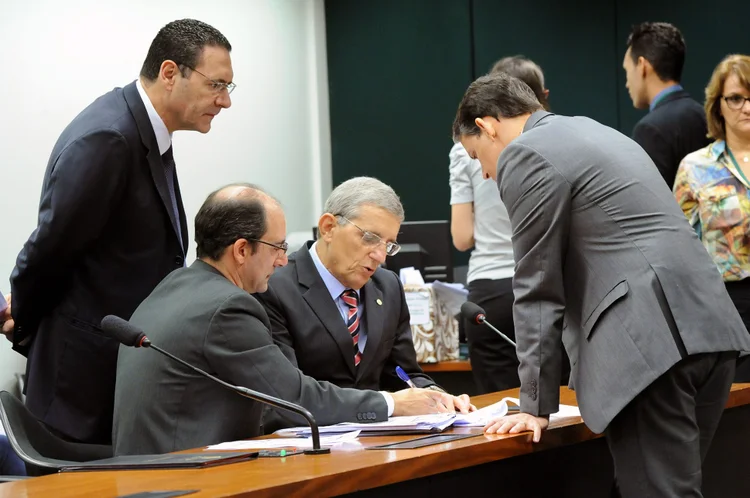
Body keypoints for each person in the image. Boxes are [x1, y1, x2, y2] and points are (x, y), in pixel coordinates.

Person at [452, 73, 750, 498]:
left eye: (475, 155)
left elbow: (536, 286)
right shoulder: (598, 132)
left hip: (651, 345)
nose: (483, 173)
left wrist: (535, 406)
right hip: (709, 330)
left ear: (487, 125)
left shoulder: (526, 153)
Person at [112, 184, 471, 455]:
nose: (283, 260)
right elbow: (293, 399)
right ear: (241, 250)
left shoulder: (174, 287)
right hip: (186, 474)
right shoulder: (229, 307)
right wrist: (393, 404)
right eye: (277, 248)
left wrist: (428, 397)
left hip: (148, 467)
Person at [6, 19, 234, 444]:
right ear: (170, 73)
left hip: (115, 372)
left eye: (228, 88)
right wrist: (24, 320)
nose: (224, 101)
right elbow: (48, 251)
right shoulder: (109, 138)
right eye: (216, 85)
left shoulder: (144, 131)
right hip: (81, 384)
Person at [255, 178, 471, 429]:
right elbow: (287, 397)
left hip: (379, 443)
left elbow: (403, 373)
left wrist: (436, 396)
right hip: (305, 445)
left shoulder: (387, 286)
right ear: (328, 227)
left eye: (388, 245)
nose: (380, 256)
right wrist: (389, 403)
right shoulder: (274, 287)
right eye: (370, 238)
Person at [449, 56, 550, 394]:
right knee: (562, 401)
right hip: (545, 284)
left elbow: (461, 238)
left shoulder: (464, 150)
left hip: (491, 291)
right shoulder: (555, 142)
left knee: (500, 408)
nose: (487, 173)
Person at [674, 54, 750, 381]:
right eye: (736, 98)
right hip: (727, 307)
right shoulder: (695, 168)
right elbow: (678, 249)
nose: (747, 108)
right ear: (718, 104)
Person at [623, 22, 709, 187]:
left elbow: (649, 201)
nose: (627, 83)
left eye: (627, 70)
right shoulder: (705, 116)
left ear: (642, 66)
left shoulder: (649, 130)